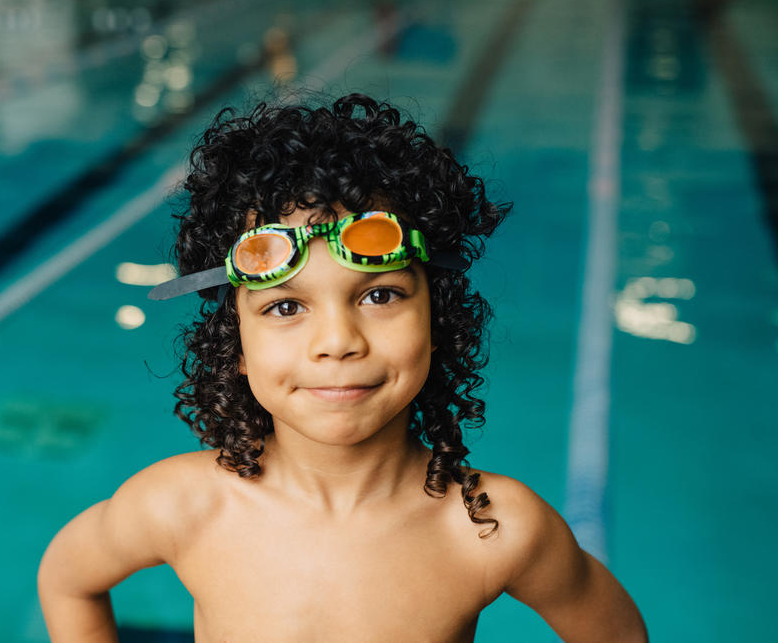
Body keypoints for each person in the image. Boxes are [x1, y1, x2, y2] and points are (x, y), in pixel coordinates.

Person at [37, 93, 647, 642]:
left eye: (379, 296)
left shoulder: (491, 527)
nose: (337, 342)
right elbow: (67, 578)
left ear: (437, 320)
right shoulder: (184, 505)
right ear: (238, 347)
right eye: (285, 306)